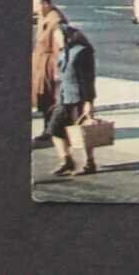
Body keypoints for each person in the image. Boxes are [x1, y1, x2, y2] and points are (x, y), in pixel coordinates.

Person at [47, 23, 98, 176]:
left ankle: (90, 163)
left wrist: (88, 103)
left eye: (57, 37)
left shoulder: (82, 52)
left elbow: (87, 79)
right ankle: (66, 161)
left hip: (80, 98)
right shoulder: (64, 51)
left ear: (67, 36)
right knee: (55, 129)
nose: (55, 40)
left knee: (84, 133)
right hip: (65, 98)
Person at [32, 0, 67, 147]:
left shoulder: (55, 20)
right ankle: (50, 129)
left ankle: (51, 130)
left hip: (50, 64)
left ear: (45, 4)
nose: (35, 9)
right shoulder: (43, 17)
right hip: (41, 63)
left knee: (50, 99)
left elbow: (61, 47)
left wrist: (58, 70)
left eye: (36, 5)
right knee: (44, 98)